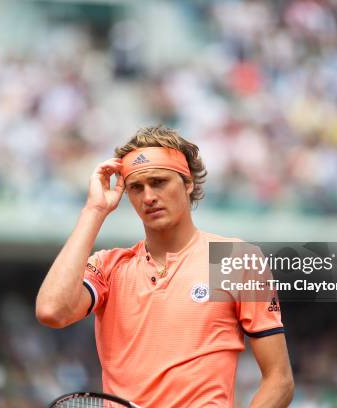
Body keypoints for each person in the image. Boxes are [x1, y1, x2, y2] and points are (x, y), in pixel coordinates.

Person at [36, 125, 294, 407]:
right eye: (136, 187)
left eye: (159, 182)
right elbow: (52, 311)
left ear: (188, 183)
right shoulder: (108, 266)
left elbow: (279, 380)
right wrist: (94, 211)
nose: (148, 197)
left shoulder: (235, 259)